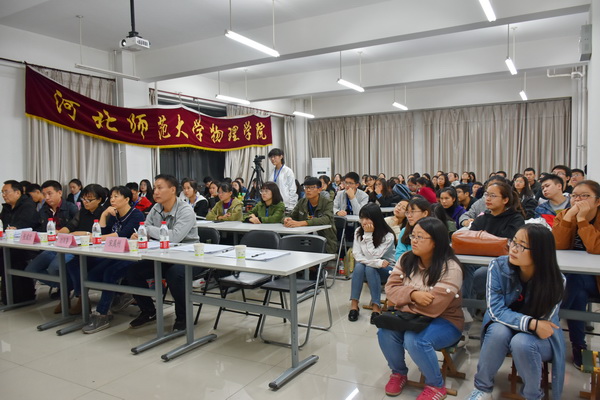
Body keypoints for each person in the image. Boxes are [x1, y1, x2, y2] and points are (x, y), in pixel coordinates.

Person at [465, 224, 565, 400]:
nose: (514, 249)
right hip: (510, 325)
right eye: (514, 242)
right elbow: (495, 310)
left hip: (537, 337)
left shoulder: (556, 281)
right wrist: (530, 323)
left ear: (540, 252)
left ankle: (533, 396)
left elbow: (544, 323)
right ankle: (482, 389)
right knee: (498, 331)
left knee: (521, 342)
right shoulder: (498, 266)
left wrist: (531, 325)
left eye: (522, 246)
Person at [378, 217, 464, 399]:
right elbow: (390, 290)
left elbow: (433, 307)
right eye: (413, 236)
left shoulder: (451, 267)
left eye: (420, 237)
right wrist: (413, 295)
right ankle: (398, 373)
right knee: (385, 331)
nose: (414, 241)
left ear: (436, 241)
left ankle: (436, 385)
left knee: (415, 339)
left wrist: (401, 300)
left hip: (446, 320)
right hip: (413, 318)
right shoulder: (406, 259)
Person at [127, 174, 200, 331]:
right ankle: (148, 311)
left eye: (160, 188)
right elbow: (143, 229)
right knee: (132, 271)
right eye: (155, 188)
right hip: (163, 255)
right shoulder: (156, 208)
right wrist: (140, 234)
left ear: (172, 190)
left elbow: (174, 237)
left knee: (175, 274)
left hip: (189, 256)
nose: (155, 192)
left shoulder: (185, 210)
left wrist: (148, 230)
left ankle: (183, 317)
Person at [25, 184, 107, 313]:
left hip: (83, 249)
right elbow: (70, 226)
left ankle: (73, 296)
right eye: (84, 199)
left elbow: (99, 234)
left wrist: (79, 233)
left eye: (89, 199)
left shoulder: (104, 213)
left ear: (99, 199)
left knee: (55, 268)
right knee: (31, 269)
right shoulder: (82, 211)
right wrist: (59, 233)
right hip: (67, 245)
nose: (85, 202)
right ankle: (67, 290)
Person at [75, 186, 145, 333]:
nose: (112, 200)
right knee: (93, 274)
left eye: (116, 196)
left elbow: (122, 235)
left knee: (110, 273)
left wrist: (96, 238)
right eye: (111, 197)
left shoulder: (136, 215)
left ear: (127, 199)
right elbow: (103, 233)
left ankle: (102, 314)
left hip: (133, 256)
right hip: (115, 254)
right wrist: (104, 215)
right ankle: (120, 295)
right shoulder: (114, 214)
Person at [552, 180, 600, 368]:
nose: (578, 200)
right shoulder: (564, 215)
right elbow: (557, 245)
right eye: (574, 196)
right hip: (574, 280)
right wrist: (569, 218)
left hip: (596, 279)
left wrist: (582, 220)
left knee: (574, 278)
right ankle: (579, 346)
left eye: (585, 196)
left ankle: (550, 319)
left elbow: (596, 248)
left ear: (597, 201)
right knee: (577, 292)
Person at [469, 182, 526, 299]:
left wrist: (483, 239)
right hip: (477, 259)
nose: (488, 199)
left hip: (503, 261)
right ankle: (466, 305)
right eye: (486, 195)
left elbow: (507, 243)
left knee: (481, 274)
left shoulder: (516, 219)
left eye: (493, 196)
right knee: (460, 268)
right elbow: (470, 239)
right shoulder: (481, 219)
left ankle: (482, 305)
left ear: (505, 200)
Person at [348, 204, 396, 323]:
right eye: (362, 218)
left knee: (369, 268)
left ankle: (376, 307)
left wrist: (368, 235)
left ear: (376, 219)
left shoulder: (388, 236)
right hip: (370, 267)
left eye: (367, 218)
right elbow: (357, 255)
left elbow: (373, 256)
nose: (364, 222)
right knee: (360, 266)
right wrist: (378, 263)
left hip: (388, 270)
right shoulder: (358, 231)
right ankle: (354, 305)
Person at [0, 180, 40, 304]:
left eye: (6, 192)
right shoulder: (7, 208)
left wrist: (13, 229)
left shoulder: (28, 205)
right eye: (2, 192)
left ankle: (20, 297)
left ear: (17, 193)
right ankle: (8, 296)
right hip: (9, 245)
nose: (3, 195)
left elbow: (24, 225)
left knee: (9, 258)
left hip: (27, 247)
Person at [283, 177, 338, 254]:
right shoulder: (302, 202)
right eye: (306, 187)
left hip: (325, 240)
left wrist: (302, 223)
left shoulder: (327, 202)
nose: (308, 190)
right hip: (304, 239)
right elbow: (291, 215)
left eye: (312, 187)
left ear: (319, 189)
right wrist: (286, 219)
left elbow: (326, 219)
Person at [394, 196, 432, 261]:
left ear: (425, 213)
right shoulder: (404, 231)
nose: (409, 216)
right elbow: (398, 255)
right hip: (407, 265)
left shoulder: (434, 229)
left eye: (413, 212)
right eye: (407, 212)